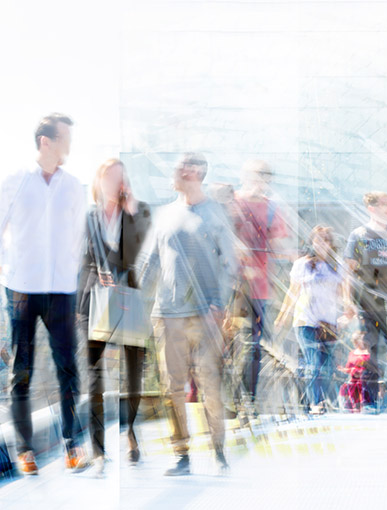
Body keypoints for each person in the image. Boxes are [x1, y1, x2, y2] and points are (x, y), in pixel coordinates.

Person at [138, 153, 238, 476]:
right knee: (173, 387)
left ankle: (218, 450)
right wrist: (130, 293)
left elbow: (230, 264)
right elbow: (149, 260)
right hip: (167, 313)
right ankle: (181, 454)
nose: (173, 173)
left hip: (205, 313)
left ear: (193, 173)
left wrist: (218, 302)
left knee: (209, 382)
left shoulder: (216, 214)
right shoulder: (164, 214)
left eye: (178, 168)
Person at [1, 113, 89, 475]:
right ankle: (25, 451)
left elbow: (78, 239)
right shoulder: (14, 181)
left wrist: (77, 283)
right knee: (21, 370)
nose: (69, 146)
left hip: (62, 290)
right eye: (64, 138)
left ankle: (73, 445)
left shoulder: (74, 187)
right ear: (45, 142)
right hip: (22, 287)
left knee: (68, 368)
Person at [77, 158, 152, 475]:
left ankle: (130, 432)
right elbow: (83, 261)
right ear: (99, 181)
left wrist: (132, 208)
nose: (114, 183)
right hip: (95, 299)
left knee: (134, 370)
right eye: (109, 177)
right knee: (94, 376)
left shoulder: (138, 212)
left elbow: (138, 254)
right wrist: (78, 306)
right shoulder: (89, 217)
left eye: (119, 177)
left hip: (129, 297)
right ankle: (97, 450)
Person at [343, 191, 387, 412]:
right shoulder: (359, 235)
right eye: (384, 204)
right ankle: (370, 400)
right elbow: (348, 271)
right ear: (371, 208)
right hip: (366, 302)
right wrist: (347, 301)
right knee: (368, 350)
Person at [233, 160, 288, 408]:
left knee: (252, 345)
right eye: (257, 175)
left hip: (258, 290)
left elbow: (277, 247)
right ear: (245, 175)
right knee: (225, 342)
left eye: (265, 177)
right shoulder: (231, 202)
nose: (260, 181)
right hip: (229, 287)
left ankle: (246, 401)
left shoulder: (271, 209)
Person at [275, 226, 347, 414]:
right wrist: (282, 315)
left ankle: (324, 400)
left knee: (328, 364)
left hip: (329, 321)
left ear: (331, 243)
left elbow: (343, 293)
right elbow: (292, 292)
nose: (322, 243)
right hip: (305, 320)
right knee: (313, 362)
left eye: (326, 239)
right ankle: (315, 403)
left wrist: (347, 312)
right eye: (318, 239)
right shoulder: (302, 264)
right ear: (312, 242)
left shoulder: (337, 265)